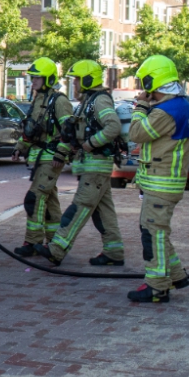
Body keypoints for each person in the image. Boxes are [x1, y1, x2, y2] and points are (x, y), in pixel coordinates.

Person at [35, 60, 125, 266]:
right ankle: (114, 251)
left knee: (80, 207)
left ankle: (57, 249)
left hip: (96, 165)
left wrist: (90, 144)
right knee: (104, 211)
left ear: (87, 80)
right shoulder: (89, 100)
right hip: (93, 167)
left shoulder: (99, 101)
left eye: (76, 79)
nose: (74, 84)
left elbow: (113, 127)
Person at [126, 55, 189, 303]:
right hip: (166, 183)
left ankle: (157, 286)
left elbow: (136, 133)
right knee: (158, 232)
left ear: (153, 81)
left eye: (145, 84)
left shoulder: (166, 111)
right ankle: (176, 276)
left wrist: (140, 109)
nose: (143, 90)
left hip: (161, 184)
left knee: (153, 234)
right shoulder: (182, 106)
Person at [12, 57, 74, 257]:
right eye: (32, 77)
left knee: (35, 198)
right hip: (40, 157)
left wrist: (61, 152)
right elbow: (32, 129)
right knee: (50, 200)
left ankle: (32, 242)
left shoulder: (60, 101)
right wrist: (20, 148)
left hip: (51, 157)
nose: (33, 81)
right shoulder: (38, 99)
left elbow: (68, 130)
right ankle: (54, 243)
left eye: (37, 77)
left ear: (48, 78)